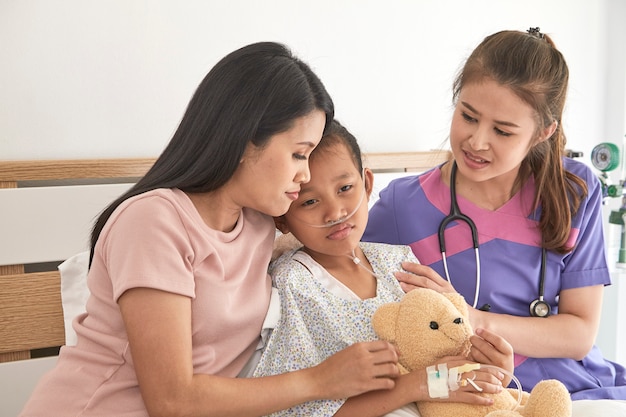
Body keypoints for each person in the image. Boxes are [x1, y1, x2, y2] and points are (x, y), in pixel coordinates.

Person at [20, 42, 403, 417]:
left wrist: (452, 305)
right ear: (243, 138)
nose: (304, 175)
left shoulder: (258, 224)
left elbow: (333, 237)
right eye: (299, 154)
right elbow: (172, 401)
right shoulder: (153, 222)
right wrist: (321, 380)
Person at [363, 28, 626, 400]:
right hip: (470, 390)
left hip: (572, 387)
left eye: (502, 131)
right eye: (468, 116)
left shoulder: (574, 190)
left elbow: (579, 335)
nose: (477, 141)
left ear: (542, 133)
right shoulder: (402, 207)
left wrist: (472, 318)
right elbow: (338, 272)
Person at [254, 119, 515, 417]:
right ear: (282, 217)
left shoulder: (400, 263)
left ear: (367, 184)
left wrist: (496, 372)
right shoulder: (293, 283)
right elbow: (299, 411)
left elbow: (453, 370)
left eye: (345, 188)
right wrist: (417, 385)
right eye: (310, 201)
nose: (335, 212)